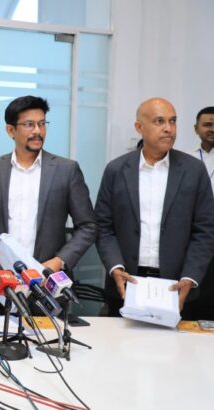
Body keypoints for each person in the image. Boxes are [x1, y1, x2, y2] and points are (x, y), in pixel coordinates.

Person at [0, 95, 97, 314]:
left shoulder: (66, 170)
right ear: (11, 130)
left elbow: (88, 226)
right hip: (2, 280)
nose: (38, 131)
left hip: (48, 280)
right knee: (3, 335)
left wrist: (59, 261)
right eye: (29, 124)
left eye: (42, 124)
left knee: (49, 335)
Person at [95, 98, 214, 318]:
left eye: (173, 121)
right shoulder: (116, 169)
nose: (168, 128)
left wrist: (190, 276)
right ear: (139, 127)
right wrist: (115, 267)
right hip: (126, 283)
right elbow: (103, 227)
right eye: (159, 121)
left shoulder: (194, 170)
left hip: (177, 286)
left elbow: (205, 230)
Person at [190, 106, 214, 319]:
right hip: (195, 234)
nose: (212, 129)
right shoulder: (187, 161)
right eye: (207, 125)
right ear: (196, 128)